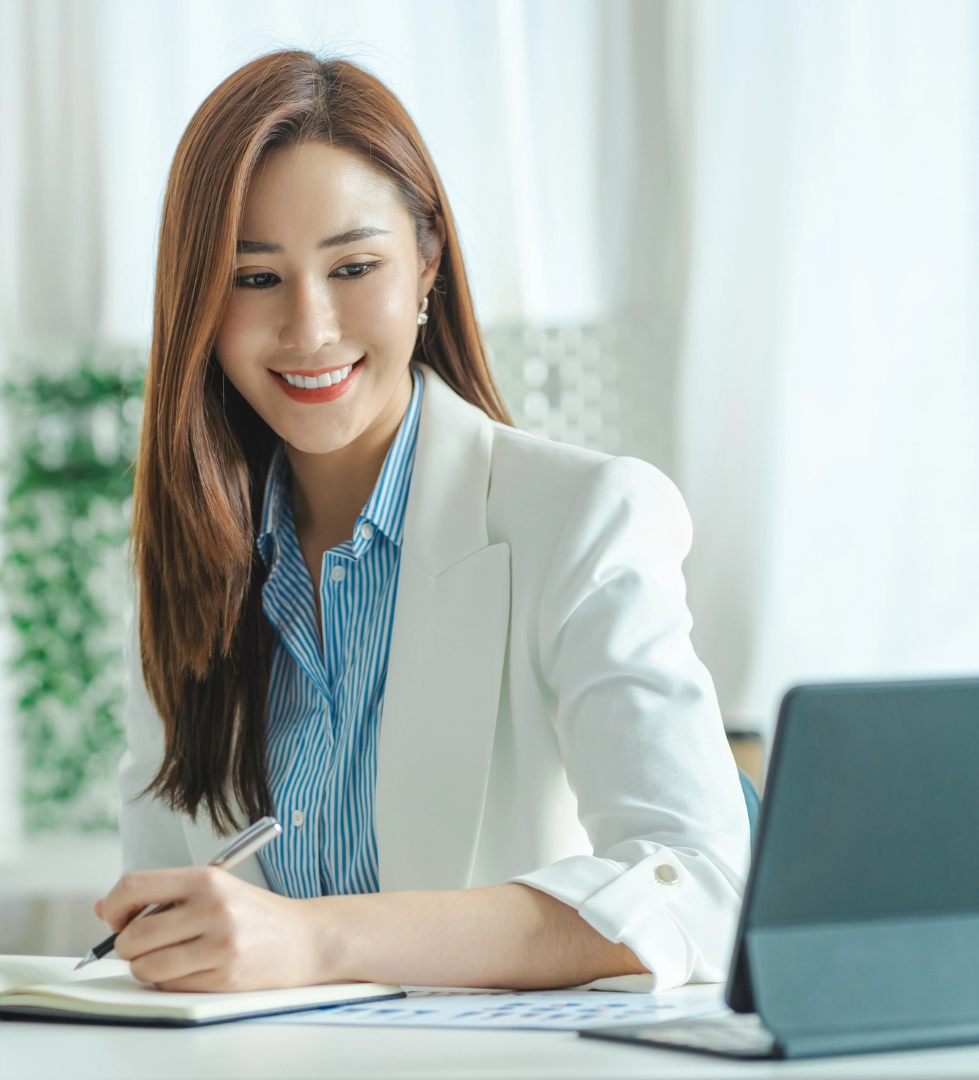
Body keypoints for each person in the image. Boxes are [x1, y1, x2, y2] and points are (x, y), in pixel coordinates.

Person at [95, 51, 750, 994]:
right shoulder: (198, 564)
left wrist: (320, 941)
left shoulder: (583, 520)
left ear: (427, 264)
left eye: (354, 266)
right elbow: (174, 912)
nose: (310, 328)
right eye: (254, 279)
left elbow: (701, 884)